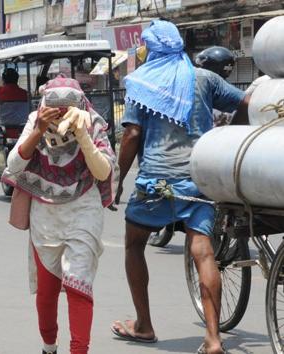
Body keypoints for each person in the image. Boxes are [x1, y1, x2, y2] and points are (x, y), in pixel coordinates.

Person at [110, 20, 249, 354]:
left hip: (155, 181)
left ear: (151, 49)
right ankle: (214, 339)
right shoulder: (203, 78)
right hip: (200, 177)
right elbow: (245, 103)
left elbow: (131, 135)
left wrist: (117, 182)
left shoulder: (141, 83)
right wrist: (227, 138)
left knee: (133, 246)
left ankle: (143, 325)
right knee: (204, 252)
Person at [3, 77, 118, 354]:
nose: (61, 116)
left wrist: (83, 136)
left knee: (79, 285)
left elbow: (103, 171)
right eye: (55, 109)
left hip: (83, 209)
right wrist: (39, 130)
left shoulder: (93, 122)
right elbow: (14, 164)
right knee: (47, 289)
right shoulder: (36, 120)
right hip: (46, 213)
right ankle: (49, 345)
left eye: (66, 109)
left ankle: (79, 350)